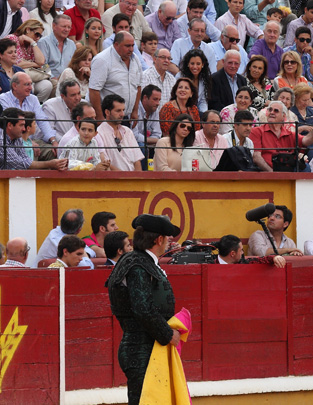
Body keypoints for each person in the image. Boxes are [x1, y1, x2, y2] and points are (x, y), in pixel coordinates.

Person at [106, 213, 182, 405]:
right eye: (167, 238)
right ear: (159, 239)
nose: (168, 242)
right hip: (141, 349)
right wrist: (167, 334)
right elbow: (142, 308)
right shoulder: (138, 264)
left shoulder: (138, 261)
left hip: (145, 346)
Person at [0, 107, 68, 170]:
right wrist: (50, 164)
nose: (24, 128)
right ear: (10, 125)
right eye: (21, 125)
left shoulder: (16, 137)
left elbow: (24, 160)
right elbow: (19, 164)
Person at [0, 72, 59, 157]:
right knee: (30, 152)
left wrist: (53, 141)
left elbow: (42, 120)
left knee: (54, 153)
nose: (30, 88)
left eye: (31, 84)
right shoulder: (3, 99)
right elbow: (11, 128)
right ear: (15, 86)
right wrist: (28, 143)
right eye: (27, 84)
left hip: (34, 140)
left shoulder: (33, 99)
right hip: (13, 142)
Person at [89, 31, 143, 127]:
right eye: (127, 46)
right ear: (116, 45)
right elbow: (94, 90)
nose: (131, 49)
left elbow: (138, 86)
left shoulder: (136, 60)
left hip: (126, 117)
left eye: (132, 46)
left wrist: (135, 111)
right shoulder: (102, 60)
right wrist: (100, 117)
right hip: (107, 117)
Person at [250, 100, 313, 171]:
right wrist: (272, 173)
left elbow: (306, 140)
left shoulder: (289, 134)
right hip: (265, 172)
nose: (272, 112)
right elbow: (256, 157)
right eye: (270, 110)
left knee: (305, 167)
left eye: (276, 111)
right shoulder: (257, 131)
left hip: (287, 170)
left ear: (283, 116)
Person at [6, 19, 52, 102]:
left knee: (47, 85)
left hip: (32, 77)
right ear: (27, 29)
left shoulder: (32, 44)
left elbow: (42, 62)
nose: (38, 38)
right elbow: (17, 64)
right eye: (36, 34)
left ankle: (34, 106)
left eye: (40, 36)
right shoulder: (12, 39)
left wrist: (32, 42)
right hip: (13, 76)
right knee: (29, 86)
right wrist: (35, 64)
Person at [96, 94, 144, 171]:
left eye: (123, 110)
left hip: (134, 180)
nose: (122, 114)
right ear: (107, 112)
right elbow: (106, 164)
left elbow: (137, 161)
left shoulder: (128, 131)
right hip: (115, 180)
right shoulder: (99, 133)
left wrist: (137, 179)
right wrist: (126, 178)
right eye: (118, 111)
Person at [38, 15, 77, 80]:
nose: (66, 30)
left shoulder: (72, 44)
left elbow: (75, 65)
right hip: (50, 80)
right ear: (54, 26)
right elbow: (43, 65)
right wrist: (53, 77)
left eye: (69, 27)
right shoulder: (43, 42)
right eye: (64, 26)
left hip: (69, 81)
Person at [217, 234, 286, 267]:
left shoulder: (242, 262)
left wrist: (274, 257)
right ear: (232, 254)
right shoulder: (211, 263)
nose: (243, 252)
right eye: (241, 250)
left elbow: (260, 260)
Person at [133, 84, 162, 150]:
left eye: (159, 100)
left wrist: (151, 141)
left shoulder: (155, 110)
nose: (158, 103)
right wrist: (153, 140)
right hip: (133, 145)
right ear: (145, 98)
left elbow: (157, 134)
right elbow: (134, 136)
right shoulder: (135, 109)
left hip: (148, 145)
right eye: (155, 99)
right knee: (142, 146)